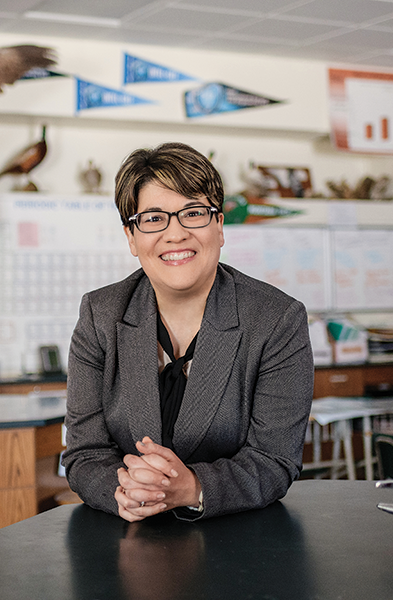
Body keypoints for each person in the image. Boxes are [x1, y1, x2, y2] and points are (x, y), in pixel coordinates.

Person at [62, 142, 313, 522]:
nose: (175, 234)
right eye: (152, 218)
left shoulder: (276, 320)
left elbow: (274, 460)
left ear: (219, 226)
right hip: (128, 540)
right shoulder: (101, 316)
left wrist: (192, 487)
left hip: (242, 544)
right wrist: (125, 491)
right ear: (132, 237)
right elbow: (84, 453)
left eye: (193, 213)